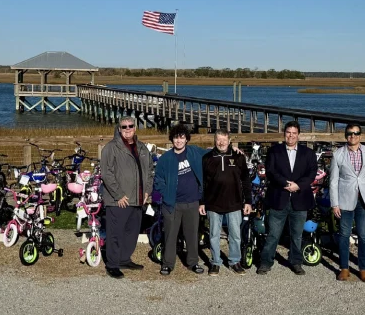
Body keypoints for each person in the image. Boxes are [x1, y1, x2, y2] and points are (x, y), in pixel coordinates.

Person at [257, 121, 318, 275]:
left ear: (298, 135)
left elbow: (311, 173)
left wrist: (298, 185)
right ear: (284, 134)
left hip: (300, 197)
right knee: (273, 234)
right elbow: (270, 171)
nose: (291, 135)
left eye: (294, 133)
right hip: (279, 197)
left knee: (297, 235)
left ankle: (296, 262)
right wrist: (284, 183)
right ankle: (266, 262)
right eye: (288, 132)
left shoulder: (308, 153)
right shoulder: (274, 151)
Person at [100, 116, 153, 279]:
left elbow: (149, 171)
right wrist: (118, 195)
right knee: (116, 232)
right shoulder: (111, 148)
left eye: (130, 126)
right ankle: (113, 264)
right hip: (119, 199)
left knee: (132, 232)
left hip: (137, 198)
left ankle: (124, 259)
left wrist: (147, 191)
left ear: (135, 128)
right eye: (124, 127)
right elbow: (106, 173)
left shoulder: (142, 148)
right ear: (119, 128)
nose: (128, 129)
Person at [153, 123, 208, 275]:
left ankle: (193, 262)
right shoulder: (165, 158)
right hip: (172, 204)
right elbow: (158, 180)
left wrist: (232, 149)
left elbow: (212, 153)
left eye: (182, 138)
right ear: (172, 140)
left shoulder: (195, 152)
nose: (179, 141)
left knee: (192, 235)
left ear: (186, 139)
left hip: (192, 202)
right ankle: (167, 264)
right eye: (176, 138)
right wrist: (166, 193)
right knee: (170, 235)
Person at [200, 130, 252, 276]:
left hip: (234, 203)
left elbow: (245, 180)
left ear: (229, 141)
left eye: (224, 140)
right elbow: (203, 183)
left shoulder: (238, 157)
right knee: (213, 235)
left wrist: (248, 201)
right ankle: (215, 262)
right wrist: (202, 202)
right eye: (218, 140)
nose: (221, 143)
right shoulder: (207, 158)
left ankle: (235, 261)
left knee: (235, 235)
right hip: (213, 203)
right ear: (214, 140)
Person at [329, 124, 365, 282]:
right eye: (349, 133)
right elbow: (333, 181)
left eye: (356, 133)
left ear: (360, 136)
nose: (353, 136)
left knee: (363, 235)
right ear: (345, 136)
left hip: (364, 199)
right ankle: (344, 268)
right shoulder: (338, 154)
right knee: (344, 235)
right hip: (345, 200)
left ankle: (363, 268)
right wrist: (335, 203)